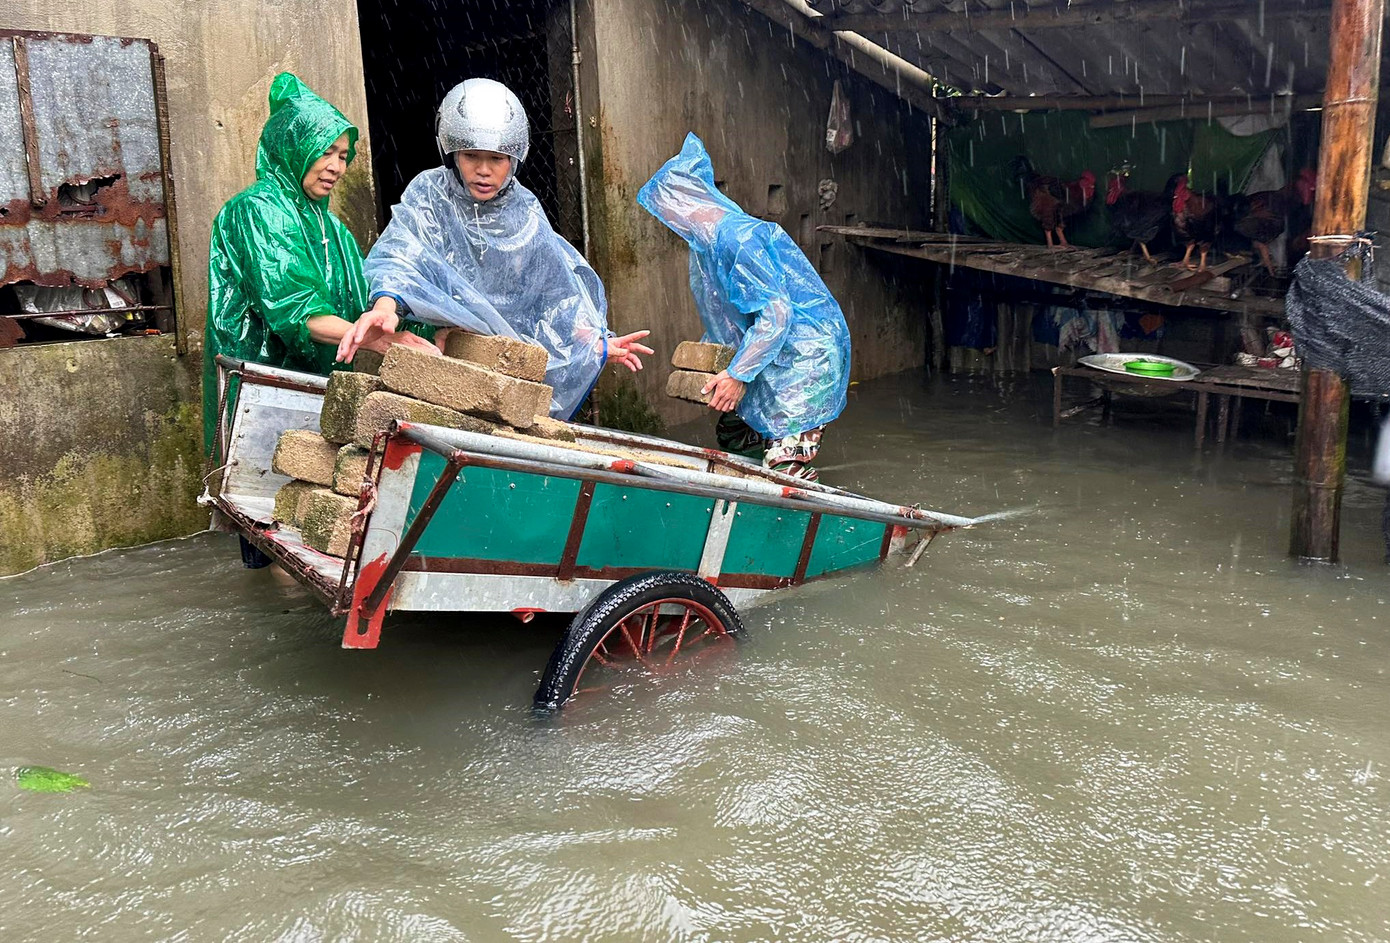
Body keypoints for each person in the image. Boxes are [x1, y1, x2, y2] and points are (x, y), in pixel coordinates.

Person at [203, 72, 434, 566]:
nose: (335, 166)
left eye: (344, 156)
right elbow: (295, 310)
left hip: (320, 397)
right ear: (293, 145)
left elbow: (364, 307)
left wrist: (417, 327)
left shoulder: (337, 232)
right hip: (261, 392)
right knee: (269, 528)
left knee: (308, 532)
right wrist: (385, 344)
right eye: (324, 151)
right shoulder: (255, 211)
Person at [337, 78, 651, 418]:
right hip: (429, 355)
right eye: (471, 156)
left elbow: (553, 293)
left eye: (497, 158)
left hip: (498, 369)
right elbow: (401, 258)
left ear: (514, 159)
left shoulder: (525, 212)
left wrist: (592, 342)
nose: (483, 170)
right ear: (451, 152)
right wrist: (386, 308)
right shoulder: (431, 195)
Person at [638, 133, 851, 481]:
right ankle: (757, 492)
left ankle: (794, 504)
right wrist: (713, 362)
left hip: (805, 356)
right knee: (734, 435)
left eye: (668, 210)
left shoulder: (737, 238)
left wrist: (739, 374)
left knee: (785, 467)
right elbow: (727, 315)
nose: (669, 221)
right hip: (771, 354)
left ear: (690, 201)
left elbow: (776, 312)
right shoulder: (705, 249)